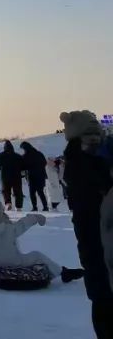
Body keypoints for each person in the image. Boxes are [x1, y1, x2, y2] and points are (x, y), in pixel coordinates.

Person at [60, 111, 113, 339]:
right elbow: (91, 213)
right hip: (98, 245)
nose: (95, 141)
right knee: (103, 301)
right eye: (90, 138)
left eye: (97, 136)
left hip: (99, 245)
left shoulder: (87, 162)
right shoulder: (84, 166)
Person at [0, 197, 83, 282]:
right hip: (12, 262)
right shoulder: (8, 228)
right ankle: (63, 273)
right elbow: (23, 224)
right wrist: (35, 218)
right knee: (37, 255)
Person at [20, 141, 50, 212]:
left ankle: (35, 207)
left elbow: (23, 166)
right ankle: (45, 206)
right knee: (41, 192)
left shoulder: (26, 156)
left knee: (32, 192)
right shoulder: (39, 153)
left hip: (31, 176)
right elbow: (44, 163)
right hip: (41, 175)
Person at [0, 141, 24, 211]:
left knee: (6, 191)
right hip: (16, 176)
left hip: (5, 176)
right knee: (18, 191)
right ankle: (19, 206)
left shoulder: (1, 155)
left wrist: (2, 169)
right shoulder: (17, 156)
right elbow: (22, 165)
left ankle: (8, 203)